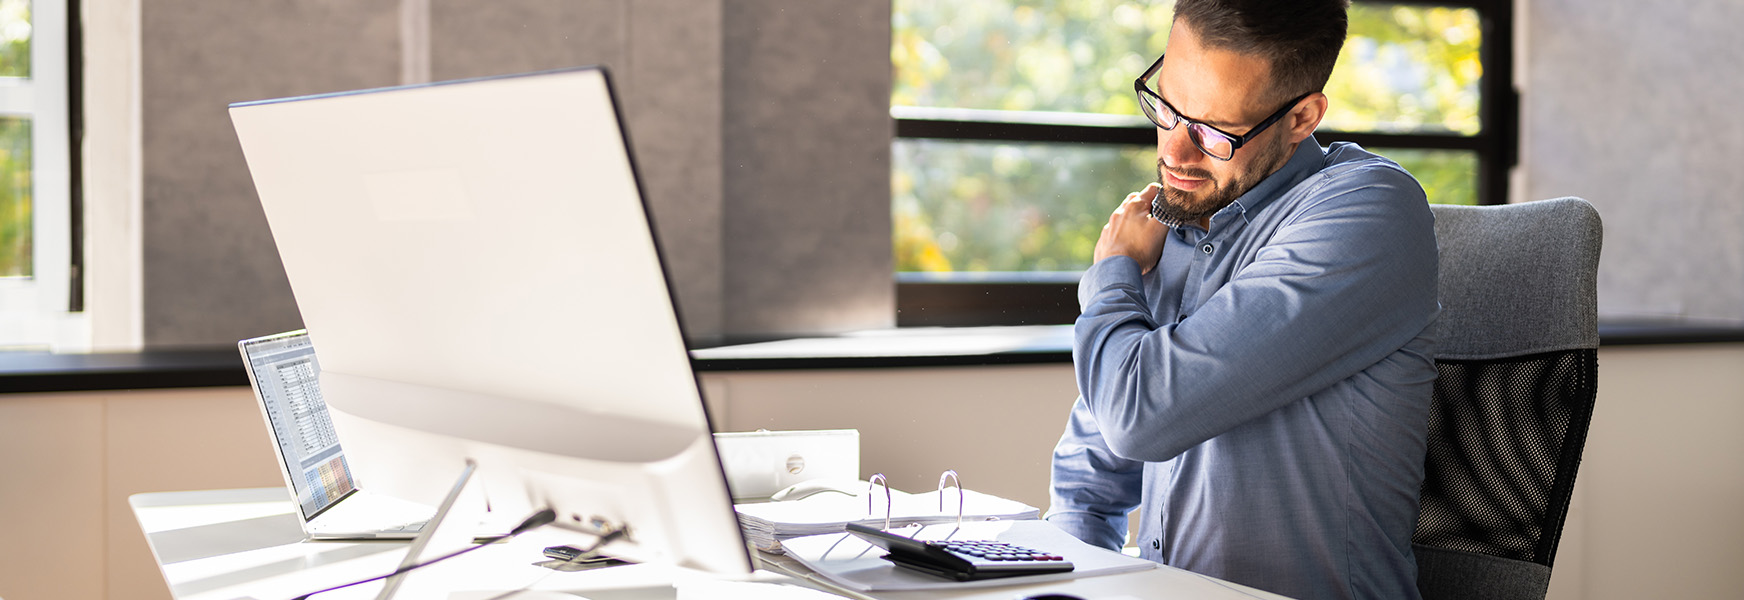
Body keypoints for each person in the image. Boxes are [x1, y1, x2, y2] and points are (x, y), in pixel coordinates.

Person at [1043, 1, 1439, 599]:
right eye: (1167, 108)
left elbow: (1137, 418)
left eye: (1213, 132)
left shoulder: (1369, 212)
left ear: (1302, 117)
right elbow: (1087, 485)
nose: (1175, 154)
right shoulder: (1178, 223)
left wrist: (1113, 271)